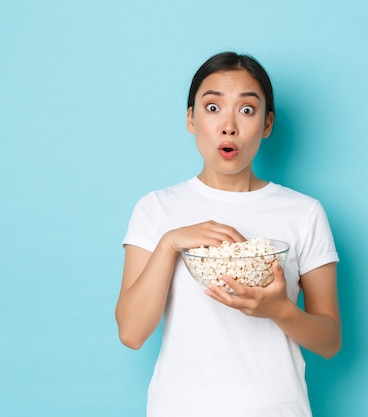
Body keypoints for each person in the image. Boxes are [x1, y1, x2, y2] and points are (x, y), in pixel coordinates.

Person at [115, 51, 341, 417]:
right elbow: (131, 332)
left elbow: (330, 341)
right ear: (191, 119)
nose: (229, 126)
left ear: (267, 125)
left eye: (247, 110)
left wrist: (280, 310)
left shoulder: (304, 212)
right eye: (213, 107)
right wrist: (171, 241)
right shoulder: (156, 208)